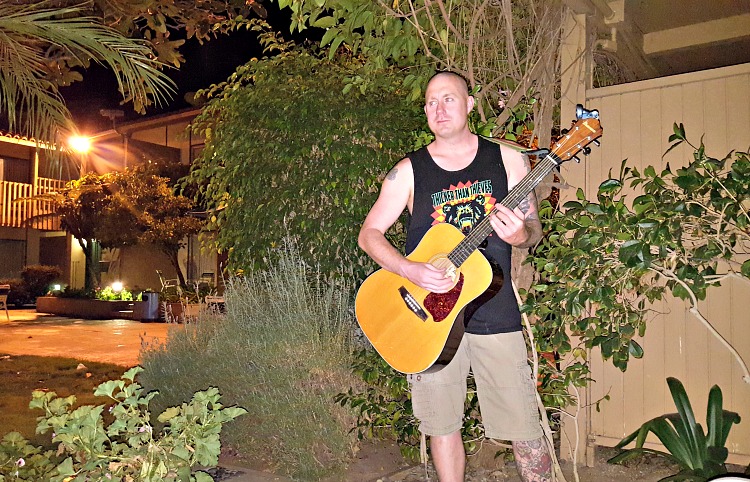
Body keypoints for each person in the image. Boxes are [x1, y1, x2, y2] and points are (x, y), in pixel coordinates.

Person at [357, 71, 552, 482]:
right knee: (441, 425)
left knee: (523, 424)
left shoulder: (507, 159)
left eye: (448, 98)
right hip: (428, 317)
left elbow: (532, 232)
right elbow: (369, 234)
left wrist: (520, 234)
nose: (438, 108)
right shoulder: (409, 170)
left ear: (469, 104)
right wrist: (409, 268)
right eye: (430, 101)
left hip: (494, 308)